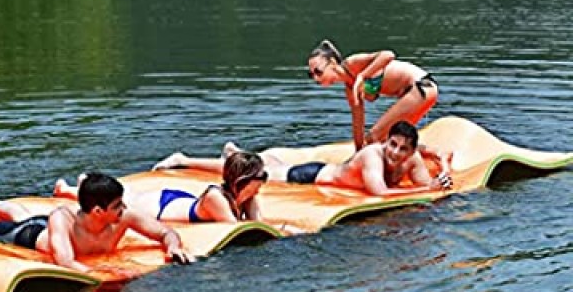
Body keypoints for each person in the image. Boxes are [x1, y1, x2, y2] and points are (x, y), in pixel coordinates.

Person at [0, 172, 193, 272]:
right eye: (117, 206)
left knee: (22, 212)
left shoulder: (123, 217)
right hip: (31, 234)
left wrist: (173, 246)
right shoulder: (63, 219)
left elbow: (164, 232)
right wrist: (105, 277)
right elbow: (65, 261)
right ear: (97, 211)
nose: (124, 209)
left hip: (41, 223)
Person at [153, 121, 453, 197]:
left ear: (412, 151)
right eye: (392, 144)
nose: (395, 152)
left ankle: (235, 151)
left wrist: (443, 174)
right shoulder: (372, 156)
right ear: (386, 141)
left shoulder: (412, 160)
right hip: (312, 176)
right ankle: (184, 160)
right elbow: (381, 193)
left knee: (263, 163)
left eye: (402, 148)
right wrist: (428, 189)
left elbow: (432, 180)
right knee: (251, 170)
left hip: (319, 174)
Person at [54, 152, 267, 224]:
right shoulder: (217, 199)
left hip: (183, 200)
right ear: (244, 179)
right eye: (262, 176)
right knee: (122, 201)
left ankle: (82, 184)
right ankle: (72, 190)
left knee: (129, 195)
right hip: (162, 208)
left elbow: (259, 224)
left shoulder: (246, 196)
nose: (265, 180)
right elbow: (238, 227)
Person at [307, 38, 440, 152]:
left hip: (422, 87)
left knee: (375, 137)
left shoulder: (353, 64)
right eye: (311, 74)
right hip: (416, 94)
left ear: (332, 62)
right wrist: (359, 152)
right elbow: (358, 121)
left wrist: (362, 75)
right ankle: (436, 154)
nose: (316, 79)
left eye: (318, 72)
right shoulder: (350, 89)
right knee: (392, 139)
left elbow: (388, 55)